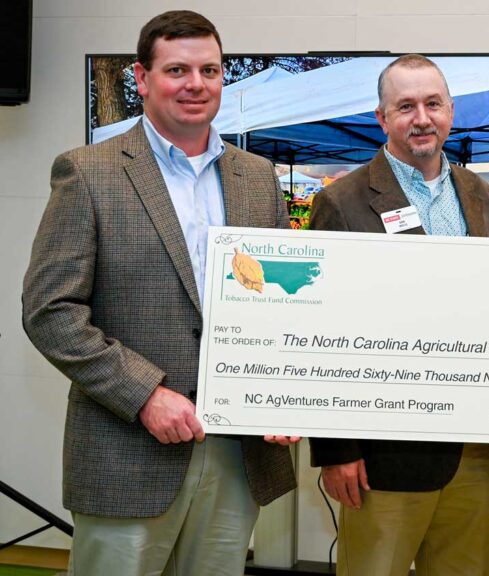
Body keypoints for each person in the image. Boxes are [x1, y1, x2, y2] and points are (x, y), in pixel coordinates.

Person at [22, 10, 297, 576]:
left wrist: (283, 392)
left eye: (210, 69)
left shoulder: (258, 177)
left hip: (236, 452)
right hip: (128, 451)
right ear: (142, 79)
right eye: (177, 69)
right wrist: (145, 395)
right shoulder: (87, 172)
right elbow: (51, 312)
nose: (195, 84)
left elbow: (279, 303)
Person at [307, 54, 489, 576]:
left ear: (450, 111)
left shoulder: (480, 194)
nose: (421, 118)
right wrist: (336, 449)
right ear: (382, 118)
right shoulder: (342, 201)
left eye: (433, 104)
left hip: (477, 447)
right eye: (405, 106)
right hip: (383, 456)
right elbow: (319, 328)